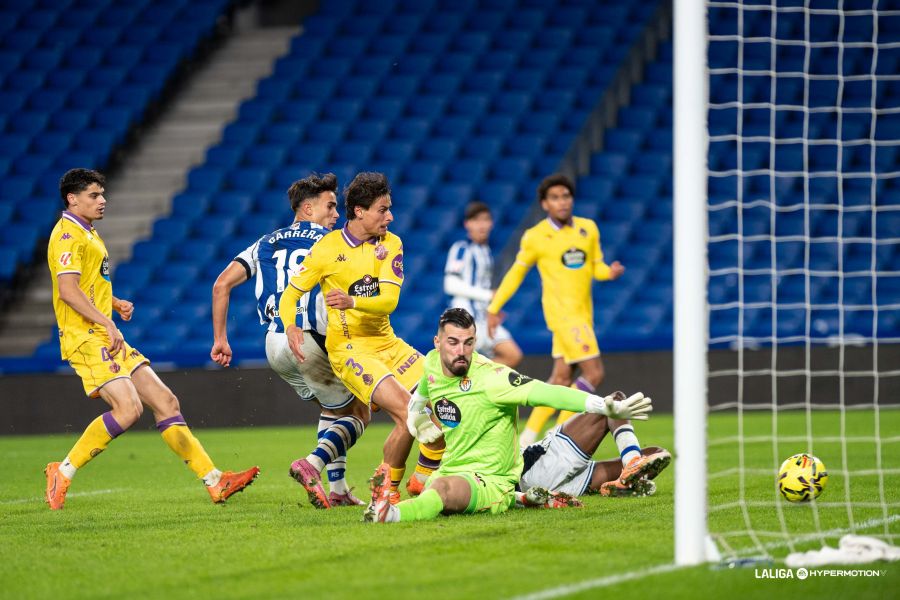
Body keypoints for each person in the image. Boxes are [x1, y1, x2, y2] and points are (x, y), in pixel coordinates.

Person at [44, 168, 259, 510]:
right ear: (72, 198)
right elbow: (68, 292)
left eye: (102, 194)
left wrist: (112, 303)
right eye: (94, 195)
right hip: (85, 337)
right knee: (129, 409)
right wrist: (108, 322)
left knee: (166, 401)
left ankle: (215, 481)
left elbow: (84, 285)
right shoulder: (67, 236)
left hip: (102, 331)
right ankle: (62, 471)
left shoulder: (88, 234)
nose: (103, 201)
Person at [363, 307, 654, 523]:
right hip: (451, 465)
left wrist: (602, 405)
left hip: (490, 480)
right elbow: (423, 392)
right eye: (452, 342)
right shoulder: (431, 365)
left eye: (469, 342)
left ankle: (391, 514)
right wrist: (416, 416)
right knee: (431, 484)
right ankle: (524, 499)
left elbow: (549, 392)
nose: (461, 351)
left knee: (441, 490)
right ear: (437, 343)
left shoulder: (493, 378)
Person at [278, 171, 445, 504]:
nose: (390, 217)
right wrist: (291, 325)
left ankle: (418, 479)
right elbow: (289, 296)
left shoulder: (391, 244)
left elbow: (389, 301)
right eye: (383, 210)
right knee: (409, 413)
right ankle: (389, 489)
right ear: (359, 211)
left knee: (440, 409)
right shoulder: (326, 250)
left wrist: (352, 300)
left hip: (388, 343)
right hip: (350, 349)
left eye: (389, 209)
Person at [210, 172, 368, 509]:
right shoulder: (332, 242)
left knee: (333, 407)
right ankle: (312, 464)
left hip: (273, 345)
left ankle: (337, 489)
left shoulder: (264, 242)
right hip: (309, 339)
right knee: (360, 411)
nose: (336, 214)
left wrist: (220, 339)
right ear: (308, 209)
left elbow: (221, 285)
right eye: (330, 206)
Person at [486, 173, 625, 449]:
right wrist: (494, 307)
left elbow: (594, 266)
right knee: (594, 373)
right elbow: (516, 273)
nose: (562, 202)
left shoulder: (588, 229)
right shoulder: (536, 236)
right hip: (562, 316)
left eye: (566, 196)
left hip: (583, 315)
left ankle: (528, 437)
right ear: (545, 204)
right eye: (555, 198)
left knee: (561, 378)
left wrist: (609, 272)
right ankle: (560, 434)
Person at [519, 396, 671, 499]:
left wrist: (523, 498)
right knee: (615, 401)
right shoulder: (499, 377)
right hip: (538, 465)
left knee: (657, 453)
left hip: (549, 487)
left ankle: (622, 483)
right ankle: (632, 461)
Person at [444, 201, 522, 368]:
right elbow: (450, 284)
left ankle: (475, 386)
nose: (482, 225)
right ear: (467, 224)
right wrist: (489, 296)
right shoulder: (461, 249)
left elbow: (481, 285)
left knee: (512, 355)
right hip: (465, 317)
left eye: (485, 220)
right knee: (462, 365)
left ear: (491, 223)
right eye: (476, 220)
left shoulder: (486, 252)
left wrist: (492, 307)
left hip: (483, 317)